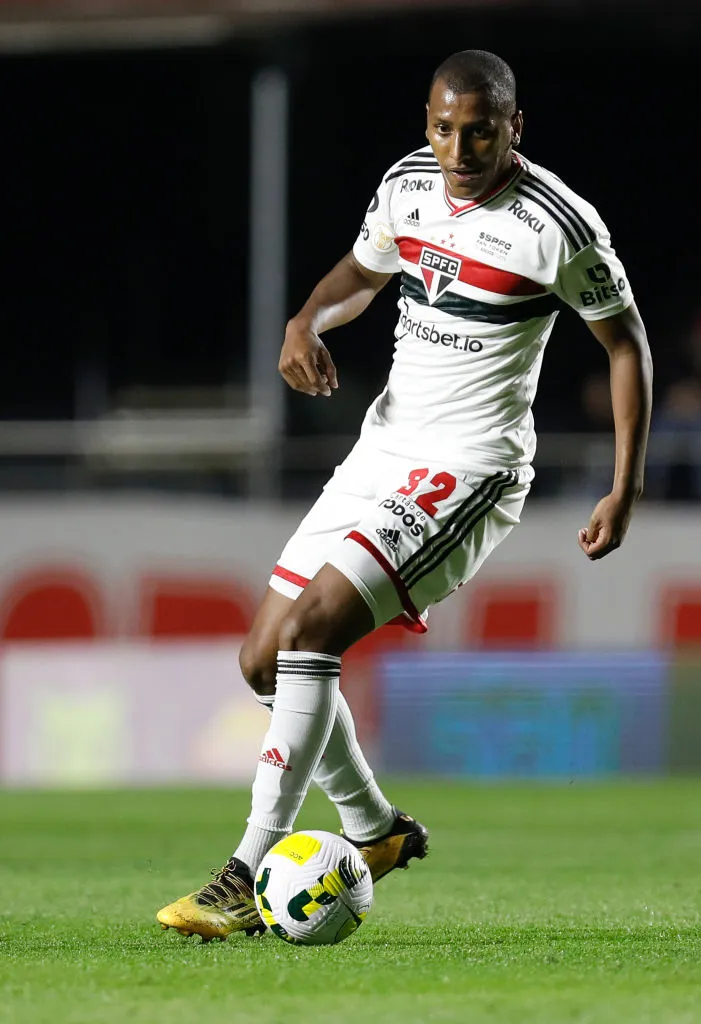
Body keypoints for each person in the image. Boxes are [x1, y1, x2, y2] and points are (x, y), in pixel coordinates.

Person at [157, 48, 652, 941]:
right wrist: (306, 318)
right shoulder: (407, 186)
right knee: (263, 661)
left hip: (468, 467)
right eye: (442, 128)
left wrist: (625, 486)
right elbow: (361, 273)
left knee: (312, 633)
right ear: (425, 123)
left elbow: (625, 345)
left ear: (514, 128)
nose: (458, 148)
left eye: (479, 131)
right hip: (381, 448)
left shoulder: (557, 226)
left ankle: (242, 872)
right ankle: (375, 830)